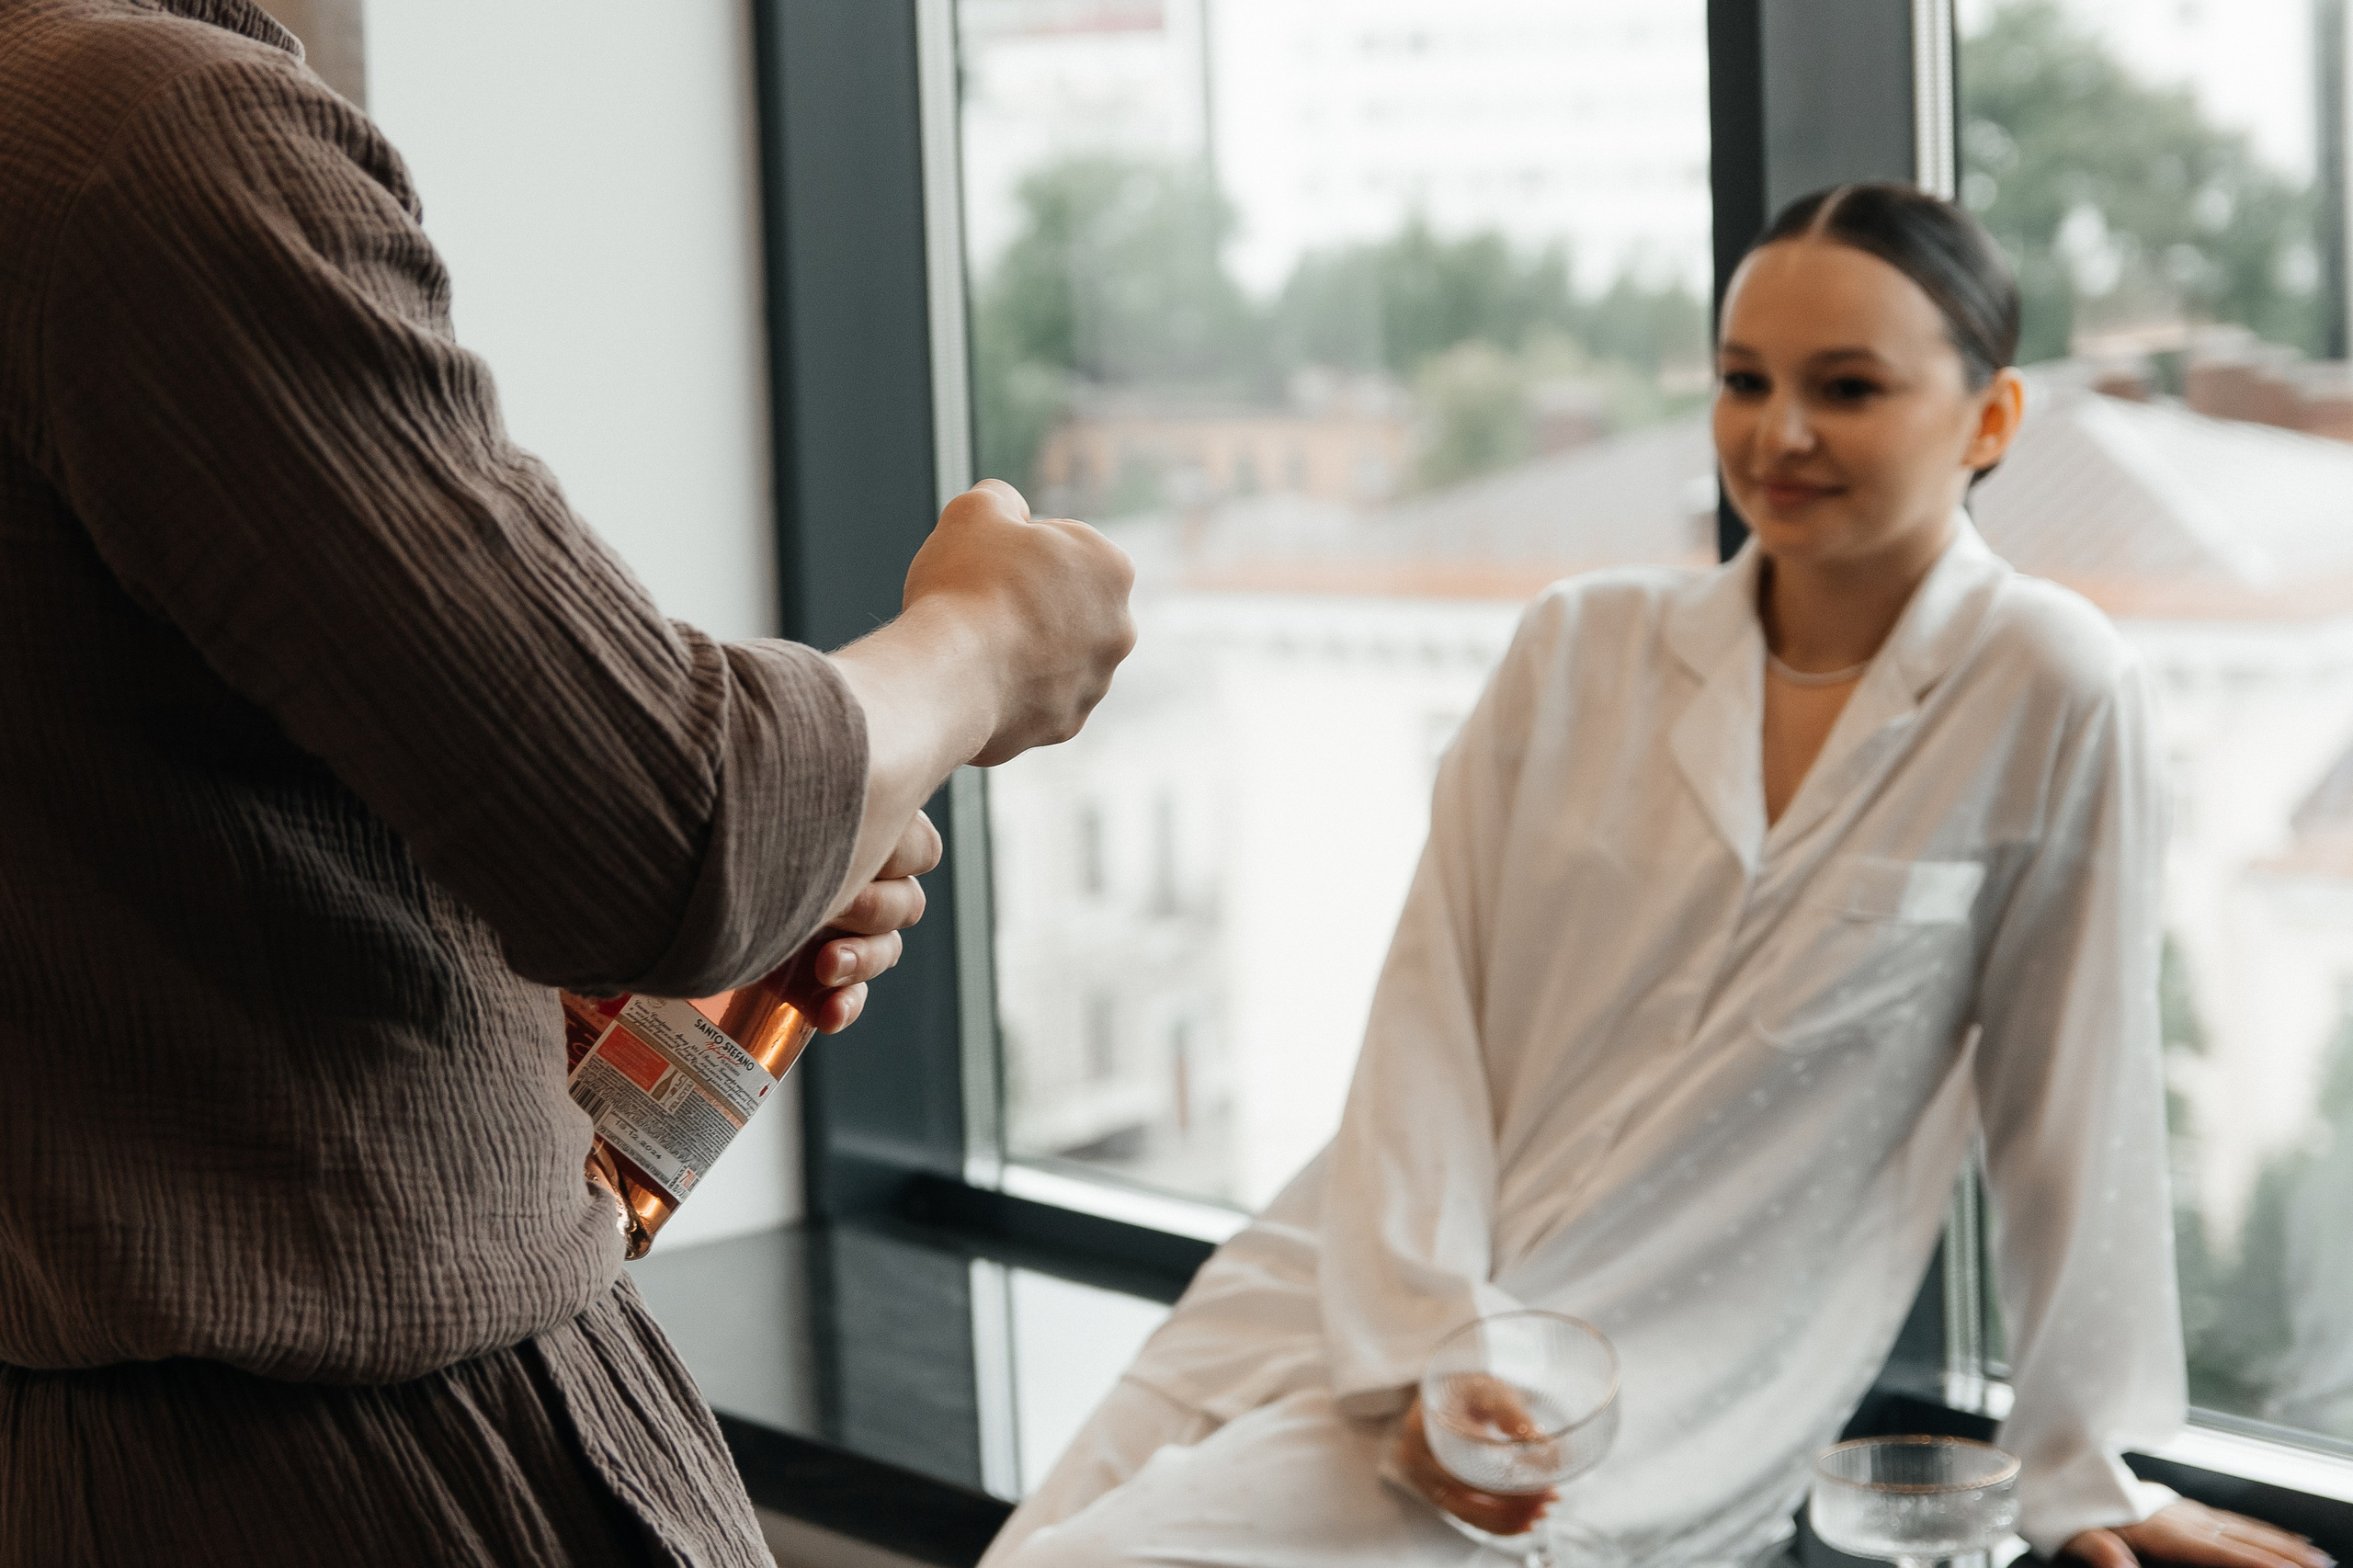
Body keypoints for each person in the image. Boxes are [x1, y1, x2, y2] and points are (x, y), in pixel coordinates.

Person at [980, 184, 2330, 1568]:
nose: (1779, 432)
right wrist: (1417, 1351)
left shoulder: (2051, 684)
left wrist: (2082, 1469)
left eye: (1847, 387)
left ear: (1992, 420)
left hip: (1631, 1390)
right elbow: (1428, 1020)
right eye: (1745, 380)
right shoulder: (1578, 646)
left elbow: (2077, 1107)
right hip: (1348, 1272)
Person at [0, 1, 1132, 1564]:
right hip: (355, 1490)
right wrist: (988, 641)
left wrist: (471, 983)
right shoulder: (133, 145)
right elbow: (673, 829)